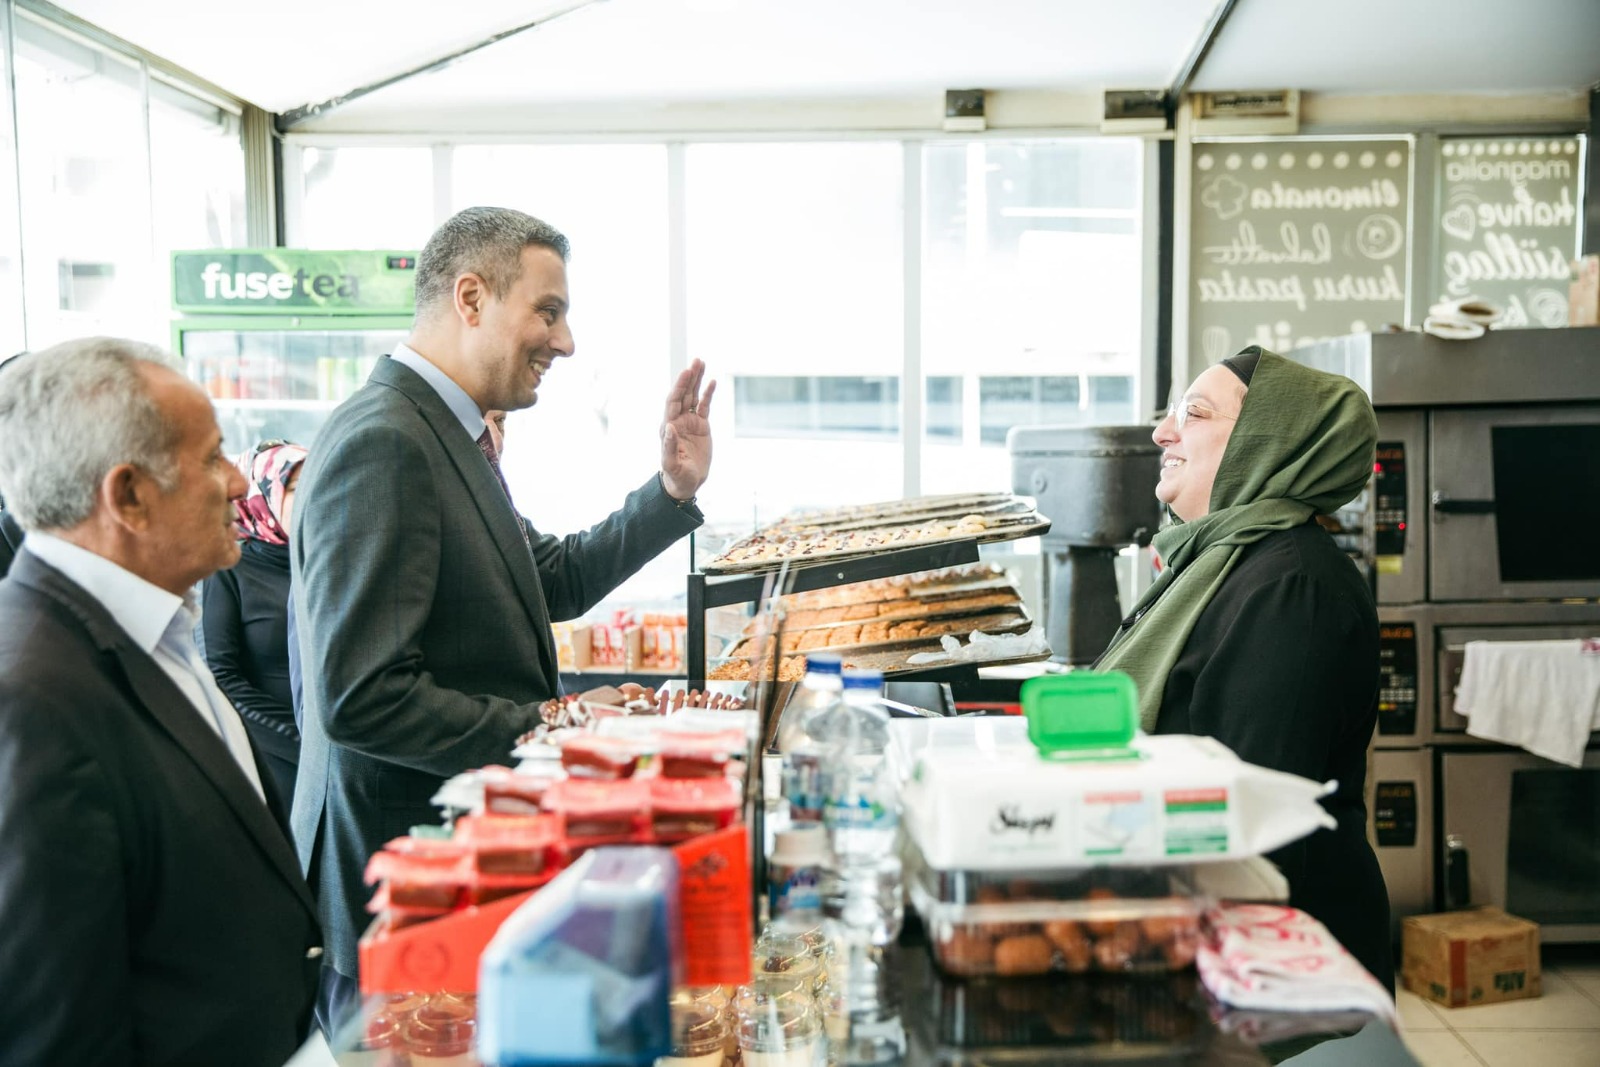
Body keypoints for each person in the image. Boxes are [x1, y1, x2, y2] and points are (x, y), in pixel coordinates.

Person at [292, 206, 715, 1028]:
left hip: (450, 877)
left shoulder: (448, 434)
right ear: (472, 298)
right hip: (405, 892)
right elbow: (360, 696)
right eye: (548, 312)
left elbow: (545, 577)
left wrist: (671, 494)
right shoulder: (388, 441)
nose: (565, 343)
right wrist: (553, 722)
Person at [0, 338, 322, 1064]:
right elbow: (59, 1031)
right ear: (129, 496)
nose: (241, 482)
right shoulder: (30, 700)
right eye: (211, 457)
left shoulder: (154, 631)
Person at [1095, 345, 1393, 991]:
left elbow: (1252, 816)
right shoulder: (1218, 562)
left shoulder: (1292, 585)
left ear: (1267, 441)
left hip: (1282, 964)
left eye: (1193, 414)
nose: (1161, 431)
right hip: (1215, 933)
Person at [201, 440, 310, 825]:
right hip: (272, 755)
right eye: (295, 488)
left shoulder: (325, 563)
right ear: (263, 495)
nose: (309, 497)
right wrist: (297, 743)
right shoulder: (233, 569)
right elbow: (221, 677)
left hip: (337, 749)